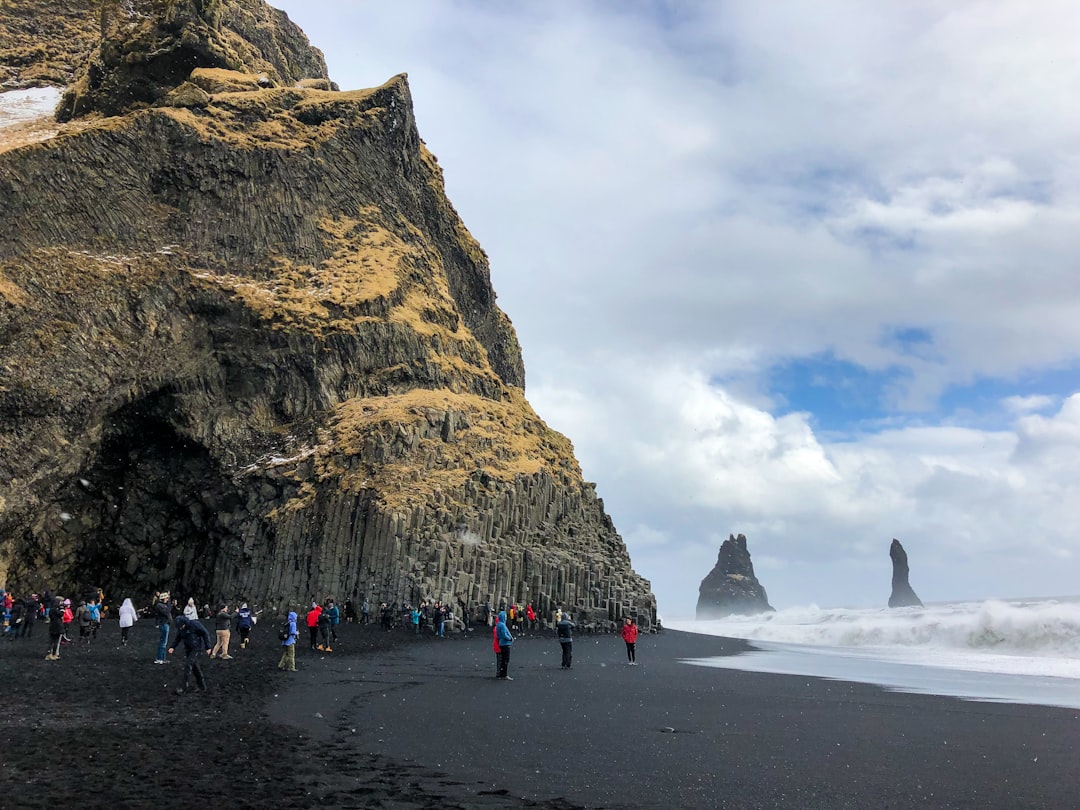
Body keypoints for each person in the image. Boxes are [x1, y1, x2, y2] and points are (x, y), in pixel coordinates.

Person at [167, 615, 212, 694]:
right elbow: (178, 638)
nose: (180, 628)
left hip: (196, 648)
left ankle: (183, 687)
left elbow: (205, 633)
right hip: (188, 649)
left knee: (188, 665)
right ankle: (202, 686)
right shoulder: (181, 629)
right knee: (195, 667)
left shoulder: (195, 624)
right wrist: (172, 647)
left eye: (181, 626)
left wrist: (208, 647)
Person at [153, 592, 172, 664]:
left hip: (165, 624)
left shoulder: (161, 605)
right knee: (163, 642)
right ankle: (160, 658)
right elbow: (167, 611)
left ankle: (162, 658)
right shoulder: (160, 606)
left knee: (164, 642)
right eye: (166, 598)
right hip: (164, 624)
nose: (167, 600)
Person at [495, 610, 514, 680]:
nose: (506, 617)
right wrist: (509, 638)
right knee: (506, 660)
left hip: (501, 643)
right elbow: (504, 634)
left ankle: (501, 674)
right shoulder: (502, 625)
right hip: (505, 644)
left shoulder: (498, 624)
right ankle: (504, 674)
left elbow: (498, 635)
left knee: (503, 660)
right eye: (505, 616)